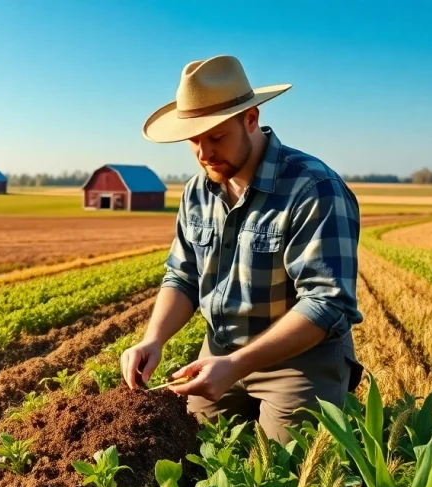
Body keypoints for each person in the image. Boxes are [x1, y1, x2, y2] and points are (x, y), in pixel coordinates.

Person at [120, 55, 364, 444]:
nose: (204, 153)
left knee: (284, 467)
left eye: (216, 137)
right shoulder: (197, 191)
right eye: (194, 140)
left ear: (250, 118)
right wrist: (153, 339)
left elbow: (326, 302)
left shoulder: (313, 188)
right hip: (218, 352)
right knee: (193, 452)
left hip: (298, 360)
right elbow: (182, 276)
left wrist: (238, 364)